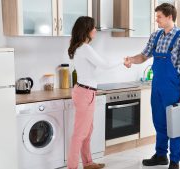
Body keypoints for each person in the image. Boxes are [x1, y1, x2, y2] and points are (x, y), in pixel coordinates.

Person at [124, 3, 180, 169]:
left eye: (159, 17)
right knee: (159, 122)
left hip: (174, 88)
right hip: (157, 87)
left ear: (170, 17)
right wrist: (131, 60)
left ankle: (175, 161)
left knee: (174, 124)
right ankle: (161, 155)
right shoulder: (156, 36)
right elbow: (144, 55)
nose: (157, 20)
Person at [67, 16, 122, 169]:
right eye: (93, 27)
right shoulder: (84, 48)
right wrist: (123, 60)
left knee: (87, 131)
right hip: (85, 93)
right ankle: (72, 167)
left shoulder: (80, 47)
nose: (95, 30)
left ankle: (88, 163)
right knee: (79, 134)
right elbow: (104, 64)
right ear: (86, 30)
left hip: (85, 92)